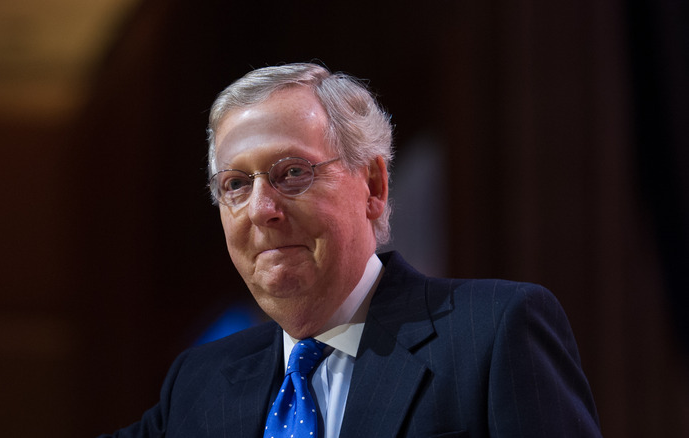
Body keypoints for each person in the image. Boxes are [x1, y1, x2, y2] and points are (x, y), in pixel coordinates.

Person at [100, 63, 602, 437]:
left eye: (292, 172)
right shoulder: (200, 384)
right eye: (235, 184)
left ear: (373, 185)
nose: (261, 209)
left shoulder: (494, 333)